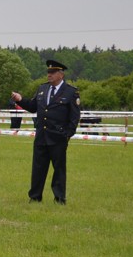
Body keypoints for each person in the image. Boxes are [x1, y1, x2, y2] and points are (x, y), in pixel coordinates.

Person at [11, 59, 81, 204]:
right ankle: (35, 197)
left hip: (58, 138)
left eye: (53, 72)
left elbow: (74, 117)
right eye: (48, 72)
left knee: (59, 170)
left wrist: (67, 134)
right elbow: (32, 107)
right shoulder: (42, 89)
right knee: (38, 169)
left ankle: (59, 198)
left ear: (61, 74)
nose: (49, 75)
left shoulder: (70, 92)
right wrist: (20, 99)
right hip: (41, 136)